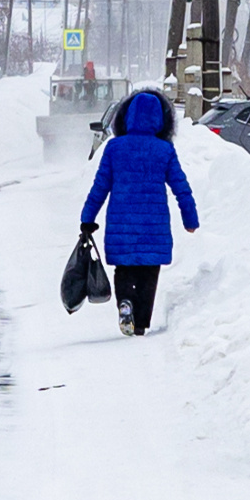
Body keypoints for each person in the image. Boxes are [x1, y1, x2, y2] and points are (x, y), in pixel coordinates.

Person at [78, 88, 199, 336]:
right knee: (149, 271)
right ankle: (141, 322)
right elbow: (181, 188)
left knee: (124, 269)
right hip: (154, 226)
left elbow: (99, 186)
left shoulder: (114, 148)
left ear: (128, 116)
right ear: (160, 119)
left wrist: (87, 219)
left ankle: (125, 304)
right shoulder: (164, 150)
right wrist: (190, 218)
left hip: (120, 224)